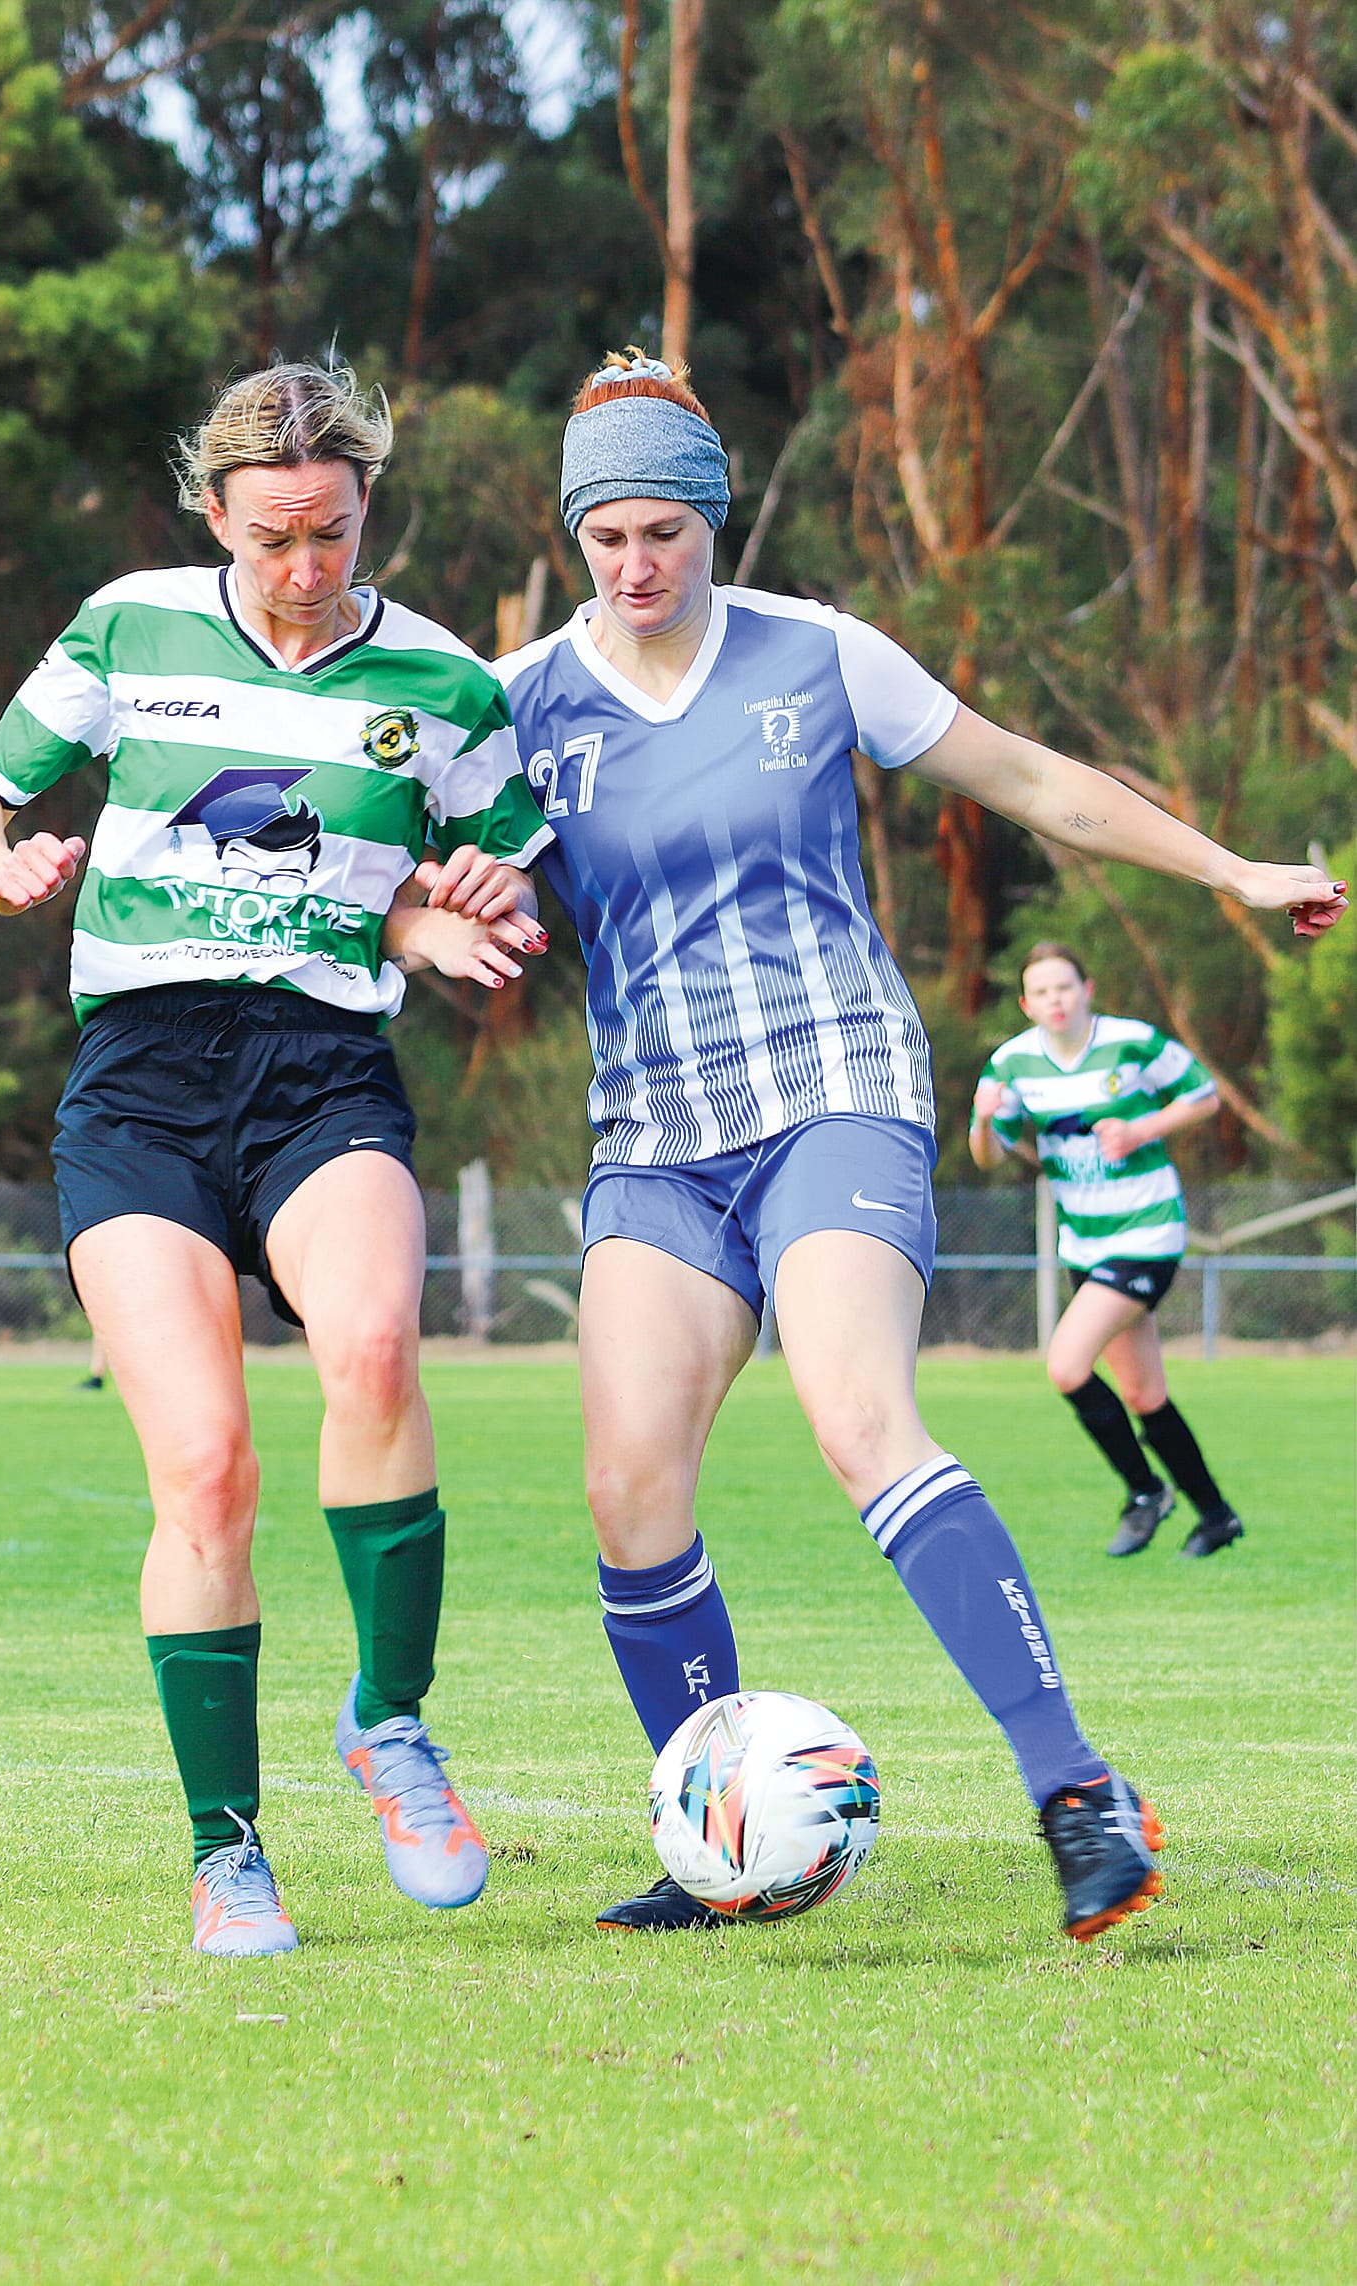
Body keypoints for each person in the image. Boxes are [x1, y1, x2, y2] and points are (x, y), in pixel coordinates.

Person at [468, 346, 1346, 1940]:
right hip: (656, 1134)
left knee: (859, 1414)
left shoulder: (819, 655)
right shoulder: (517, 707)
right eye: (606, 539)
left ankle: (1080, 1793)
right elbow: (462, 890)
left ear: (712, 519)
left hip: (834, 1086)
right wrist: (457, 914)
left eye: (662, 530)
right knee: (627, 1486)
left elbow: (1027, 782)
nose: (634, 565)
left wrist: (1225, 866)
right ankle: (722, 1839)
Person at [0, 361, 551, 1956]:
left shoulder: (442, 681)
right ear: (213, 512)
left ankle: (391, 1721)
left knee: (372, 1342)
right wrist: (1, 861)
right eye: (273, 534)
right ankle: (228, 1851)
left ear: (367, 512)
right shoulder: (126, 622)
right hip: (138, 1082)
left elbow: (505, 868)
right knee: (205, 1461)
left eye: (334, 534)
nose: (304, 569)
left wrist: (463, 906)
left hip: (320, 1067)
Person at [970, 944, 1243, 1559]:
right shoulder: (1011, 1064)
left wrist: (1141, 1129)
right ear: (1025, 1004)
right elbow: (989, 1156)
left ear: (1087, 989)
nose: (1055, 1000)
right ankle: (1217, 1516)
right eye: (1041, 993)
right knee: (1144, 1395)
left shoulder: (1133, 1042)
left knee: (1067, 1365)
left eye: (1064, 987)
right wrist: (985, 1123)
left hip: (1148, 1231)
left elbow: (1205, 1096)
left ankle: (1145, 1491)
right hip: (1084, 1243)